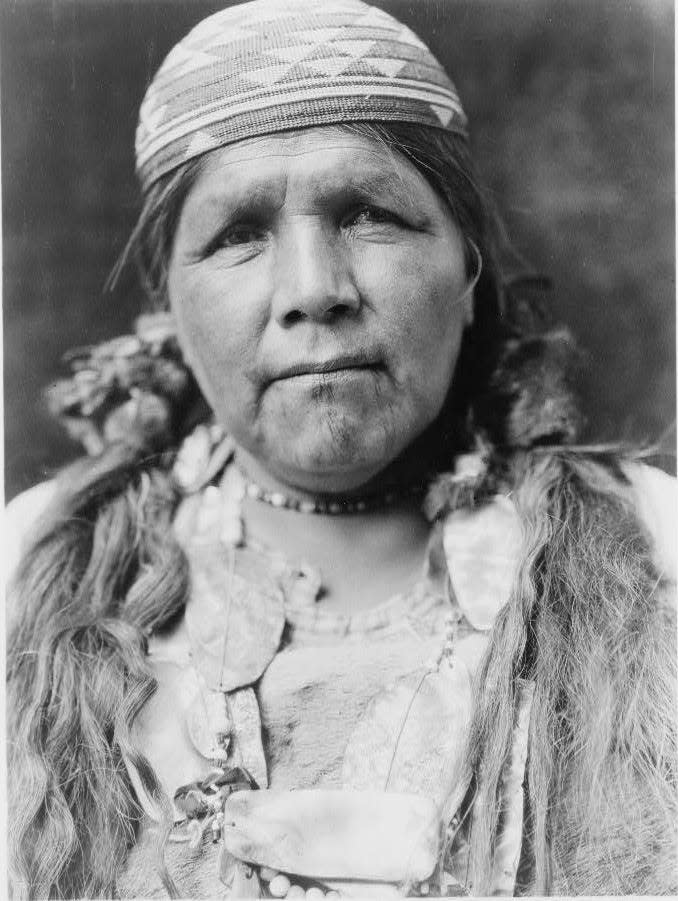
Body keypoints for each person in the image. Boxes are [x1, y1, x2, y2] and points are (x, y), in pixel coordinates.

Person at [5, 0, 676, 897]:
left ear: (468, 271)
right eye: (238, 234)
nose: (313, 290)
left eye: (370, 214)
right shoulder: (26, 580)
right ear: (170, 300)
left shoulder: (654, 553)